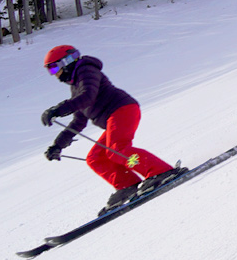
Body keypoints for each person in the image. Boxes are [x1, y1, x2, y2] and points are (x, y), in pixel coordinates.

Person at [41, 45, 186, 213]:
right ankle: (127, 185)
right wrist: (57, 145)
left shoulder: (86, 71)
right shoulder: (75, 86)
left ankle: (160, 171)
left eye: (53, 68)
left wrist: (58, 109)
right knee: (95, 157)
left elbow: (88, 96)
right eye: (50, 71)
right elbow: (78, 121)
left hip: (122, 110)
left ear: (66, 62)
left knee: (116, 149)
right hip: (113, 118)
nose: (54, 74)